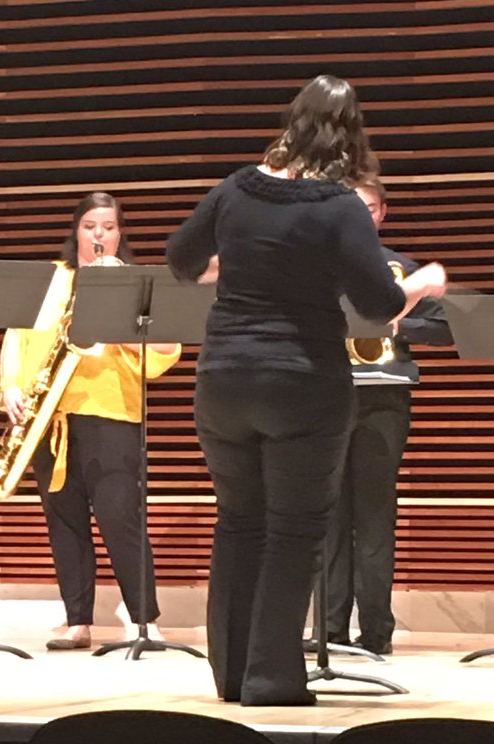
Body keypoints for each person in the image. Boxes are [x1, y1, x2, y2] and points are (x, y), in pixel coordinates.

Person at [167, 75, 446, 706]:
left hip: (223, 378)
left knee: (239, 521)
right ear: (351, 135)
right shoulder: (338, 204)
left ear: (292, 121)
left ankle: (232, 676)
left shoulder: (237, 186)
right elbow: (377, 306)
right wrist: (425, 283)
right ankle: (271, 680)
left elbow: (182, 260)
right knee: (294, 530)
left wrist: (239, 265)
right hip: (301, 382)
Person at [0, 193, 181, 650]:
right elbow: (15, 336)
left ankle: (144, 620)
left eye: (108, 227)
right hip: (49, 418)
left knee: (122, 519)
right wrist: (10, 387)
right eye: (89, 226)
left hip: (112, 414)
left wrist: (117, 307)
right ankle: (76, 619)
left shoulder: (136, 283)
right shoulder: (52, 279)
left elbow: (164, 354)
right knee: (64, 521)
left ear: (120, 234)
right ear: (75, 230)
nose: (98, 235)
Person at [321, 178, 453, 655]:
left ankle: (376, 631)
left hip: (384, 398)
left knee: (375, 517)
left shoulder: (402, 267)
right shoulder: (319, 265)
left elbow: (445, 327)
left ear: (381, 214)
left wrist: (400, 322)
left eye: (370, 208)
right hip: (329, 397)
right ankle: (330, 628)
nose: (361, 216)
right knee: (329, 517)